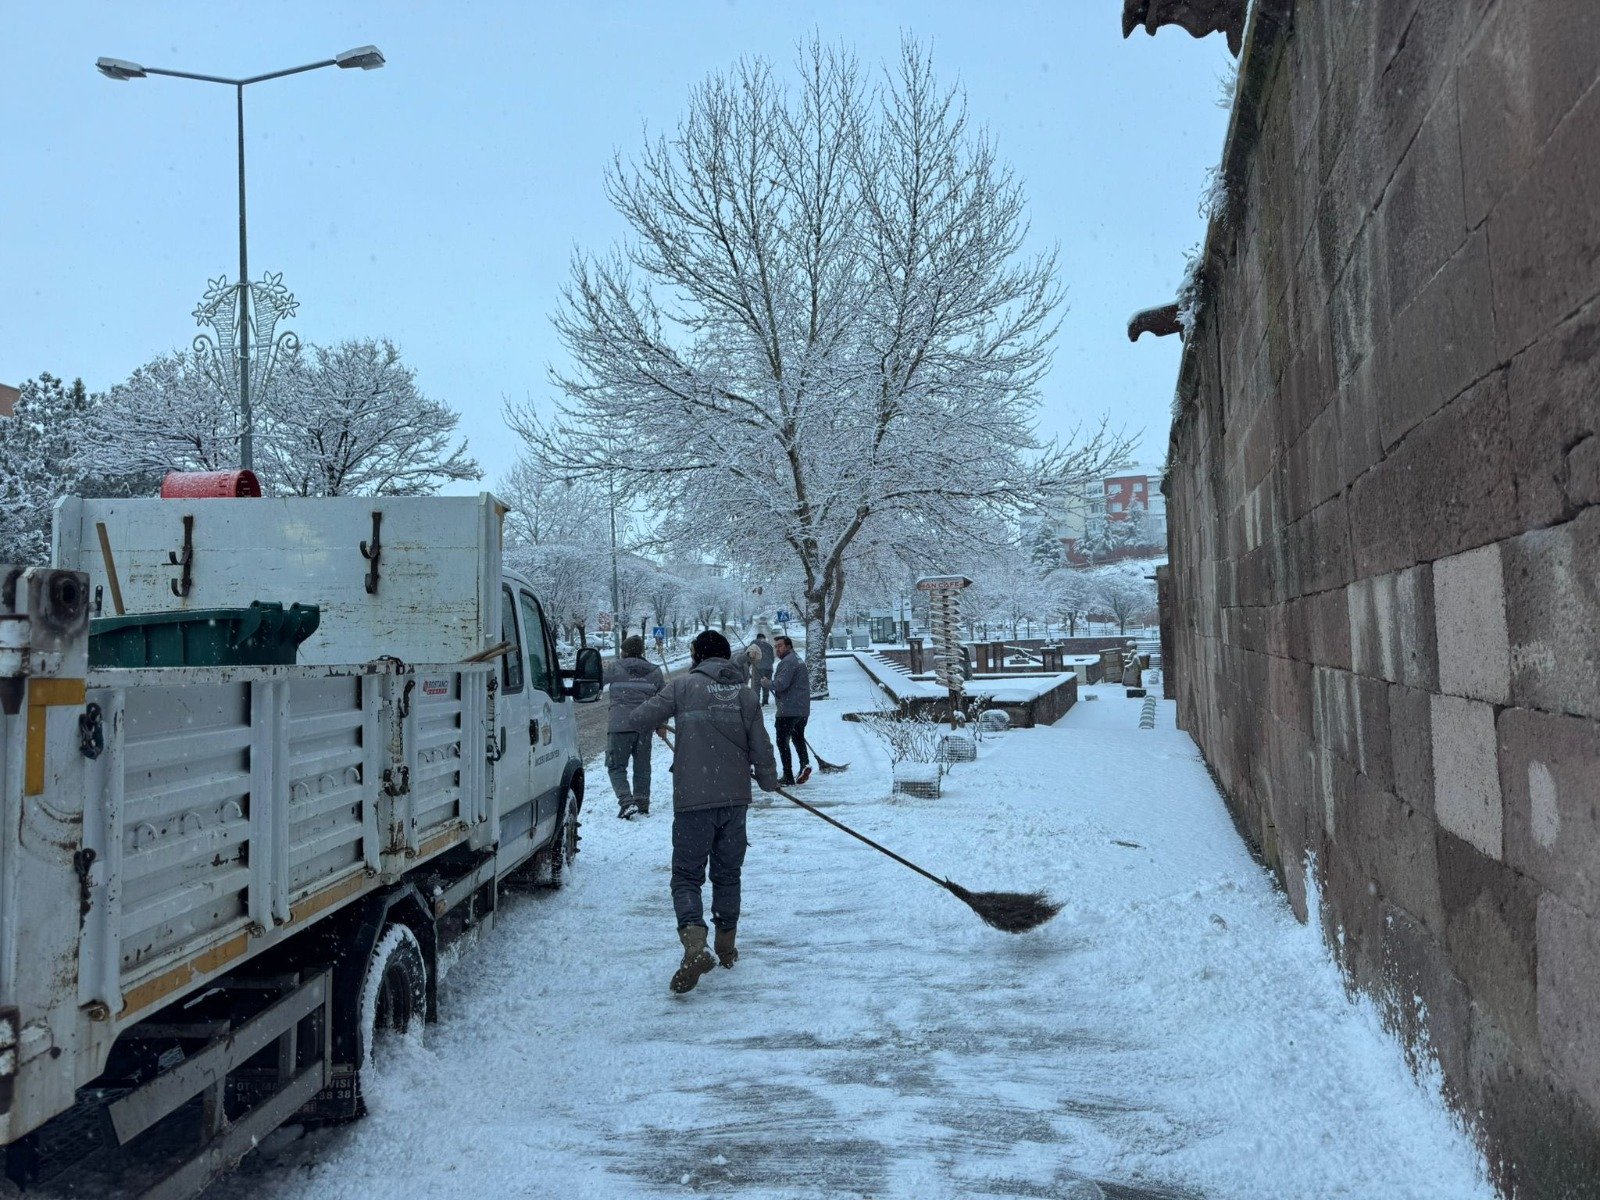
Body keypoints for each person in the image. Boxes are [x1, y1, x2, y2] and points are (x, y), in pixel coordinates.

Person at [629, 629, 778, 994]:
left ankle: (695, 942)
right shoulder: (744, 695)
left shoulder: (682, 688)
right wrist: (769, 780)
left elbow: (638, 719)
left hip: (693, 799)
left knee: (686, 875)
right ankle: (726, 948)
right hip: (734, 801)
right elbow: (761, 745)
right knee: (728, 874)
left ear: (697, 655)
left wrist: (664, 716)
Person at [602, 635, 665, 819]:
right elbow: (663, 701)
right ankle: (642, 804)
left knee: (616, 766)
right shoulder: (655, 671)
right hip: (644, 727)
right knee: (642, 767)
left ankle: (627, 803)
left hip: (619, 726)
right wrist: (661, 724)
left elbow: (595, 681)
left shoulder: (615, 667)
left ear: (625, 651)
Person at [770, 635, 812, 785]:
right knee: (798, 737)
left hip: (788, 709)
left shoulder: (787, 662)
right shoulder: (797, 659)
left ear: (788, 646)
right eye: (776, 646)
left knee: (782, 742)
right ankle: (804, 765)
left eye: (780, 646)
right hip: (802, 709)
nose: (777, 649)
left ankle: (787, 775)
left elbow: (780, 684)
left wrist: (767, 683)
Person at [754, 631, 776, 706]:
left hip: (758, 667)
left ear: (757, 638)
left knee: (756, 685)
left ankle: (756, 702)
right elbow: (773, 659)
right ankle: (765, 701)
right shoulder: (769, 645)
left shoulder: (754, 643)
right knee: (766, 684)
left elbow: (748, 654)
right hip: (769, 668)